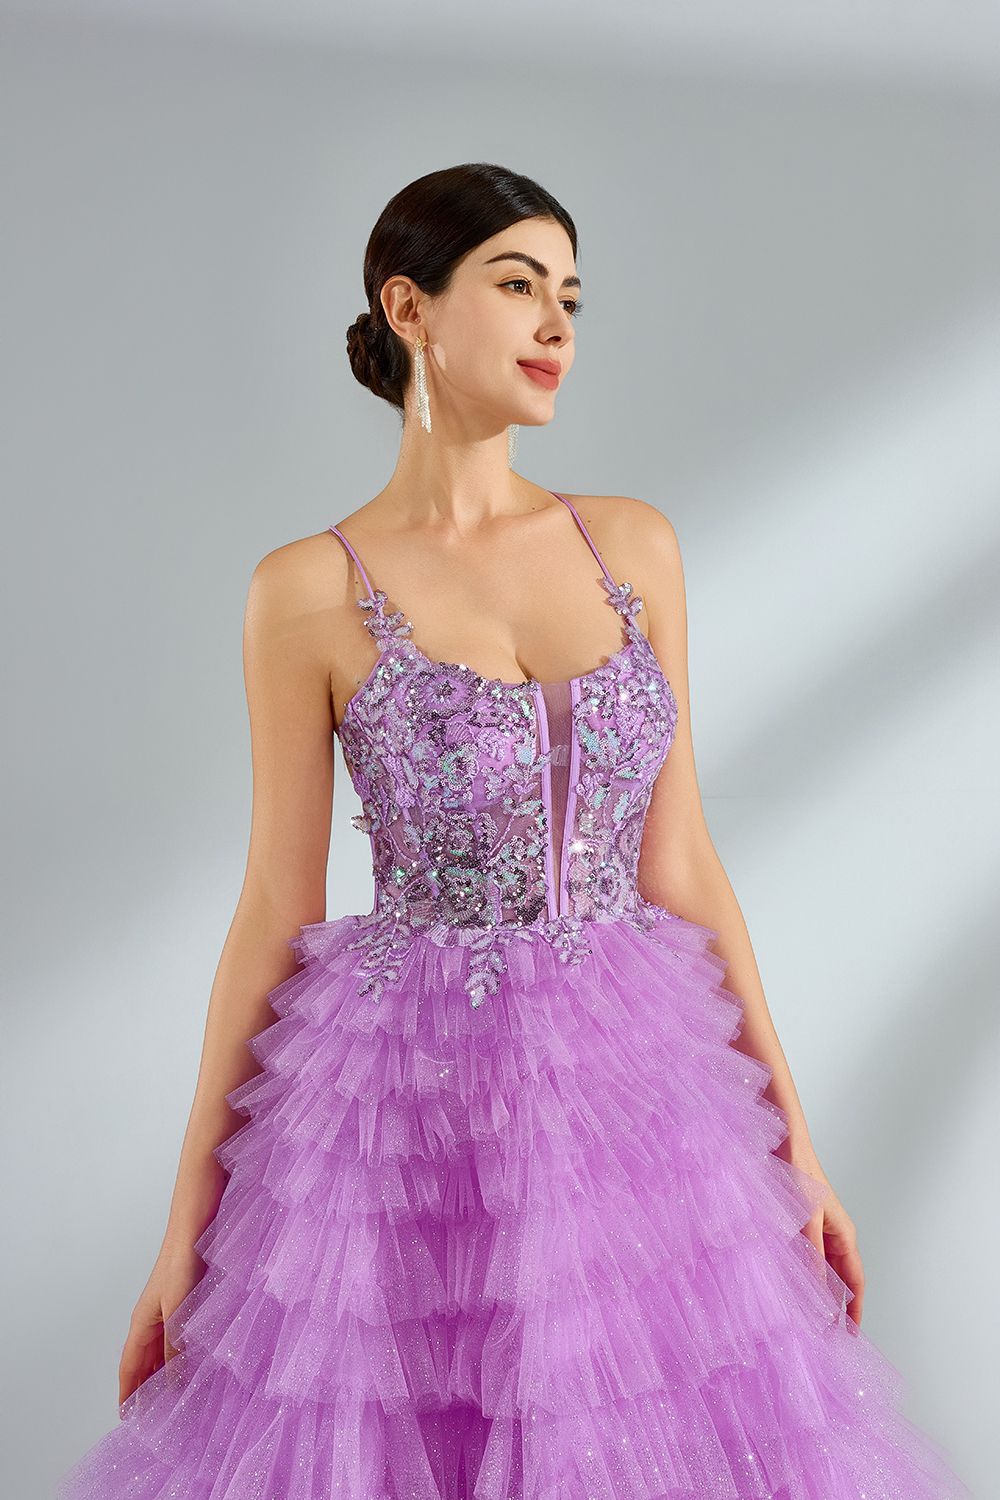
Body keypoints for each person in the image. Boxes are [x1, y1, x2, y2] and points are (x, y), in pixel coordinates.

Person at [58, 162, 971, 1498]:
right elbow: (274, 905)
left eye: (572, 298)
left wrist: (797, 1147)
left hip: (635, 1084)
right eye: (518, 284)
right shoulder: (306, 591)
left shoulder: (631, 547)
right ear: (410, 308)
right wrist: (186, 1224)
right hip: (405, 1096)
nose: (557, 325)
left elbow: (681, 861)